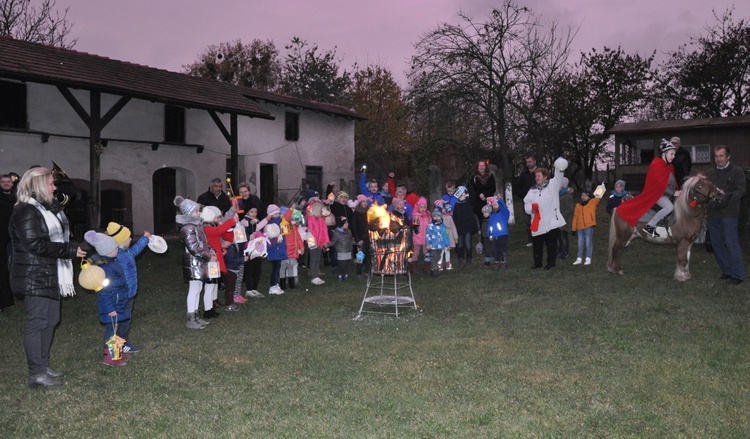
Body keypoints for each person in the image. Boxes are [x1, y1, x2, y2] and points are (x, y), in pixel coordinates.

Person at [9, 167, 86, 387]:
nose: (55, 188)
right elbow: (34, 244)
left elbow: (57, 232)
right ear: (39, 185)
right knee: (38, 323)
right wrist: (68, 251)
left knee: (51, 321)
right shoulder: (25, 211)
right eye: (51, 184)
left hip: (50, 272)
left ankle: (43, 366)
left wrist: (55, 203)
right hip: (34, 275)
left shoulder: (45, 208)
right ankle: (36, 374)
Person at [616, 139, 681, 238]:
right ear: (664, 154)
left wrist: (678, 190)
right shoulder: (657, 164)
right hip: (657, 194)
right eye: (671, 154)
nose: (673, 157)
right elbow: (659, 184)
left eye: (674, 154)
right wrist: (673, 193)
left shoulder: (669, 166)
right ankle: (650, 226)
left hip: (665, 193)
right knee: (669, 207)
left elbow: (670, 182)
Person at [84, 230, 130, 367]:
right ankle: (110, 357)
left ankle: (117, 351)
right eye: (115, 247)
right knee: (112, 331)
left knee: (117, 328)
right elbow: (104, 292)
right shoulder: (106, 269)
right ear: (109, 251)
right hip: (112, 306)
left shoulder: (112, 262)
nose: (117, 249)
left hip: (118, 302)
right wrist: (110, 308)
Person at [105, 222, 150, 354]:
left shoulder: (125, 252)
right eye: (128, 237)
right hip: (120, 296)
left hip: (129, 294)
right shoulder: (115, 257)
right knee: (117, 322)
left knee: (125, 319)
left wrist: (145, 239)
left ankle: (122, 343)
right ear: (120, 240)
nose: (131, 239)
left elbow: (135, 250)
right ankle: (114, 351)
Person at [705, 145, 745, 285]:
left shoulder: (736, 172)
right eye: (716, 156)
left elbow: (741, 190)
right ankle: (727, 270)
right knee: (716, 244)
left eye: (721, 156)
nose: (718, 159)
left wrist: (727, 198)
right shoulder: (710, 172)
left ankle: (737, 274)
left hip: (729, 213)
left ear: (728, 156)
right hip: (713, 213)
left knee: (731, 243)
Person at [175, 196, 215, 330]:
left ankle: (196, 316)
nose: (199, 213)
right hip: (194, 263)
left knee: (198, 289)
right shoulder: (187, 228)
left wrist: (211, 250)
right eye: (197, 211)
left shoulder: (197, 226)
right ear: (189, 212)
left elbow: (204, 244)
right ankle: (191, 318)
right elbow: (194, 248)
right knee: (194, 290)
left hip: (199, 263)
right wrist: (208, 257)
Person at [523, 158, 568, 270]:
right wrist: (531, 210)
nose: (536, 178)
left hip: (551, 221)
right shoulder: (532, 190)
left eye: (539, 176)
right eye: (536, 176)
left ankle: (550, 263)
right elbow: (526, 203)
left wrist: (559, 167)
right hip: (537, 222)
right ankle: (537, 263)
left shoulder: (553, 185)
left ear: (545, 177)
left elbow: (558, 177)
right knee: (537, 245)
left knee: (551, 244)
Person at [256, 204, 287, 295]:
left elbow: (285, 230)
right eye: (275, 214)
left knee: (278, 267)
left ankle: (276, 284)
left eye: (278, 213)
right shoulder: (271, 224)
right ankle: (273, 286)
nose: (278, 215)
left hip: (279, 248)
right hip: (274, 248)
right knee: (276, 267)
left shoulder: (280, 221)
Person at [570, 189, 603, 266]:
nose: (583, 197)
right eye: (582, 195)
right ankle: (579, 258)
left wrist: (601, 187)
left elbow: (598, 196)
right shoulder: (578, 206)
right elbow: (575, 217)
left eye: (585, 196)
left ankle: (588, 258)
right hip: (580, 227)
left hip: (589, 226)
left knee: (588, 243)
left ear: (589, 197)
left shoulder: (592, 203)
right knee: (580, 243)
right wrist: (573, 228)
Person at [305, 197, 331, 285]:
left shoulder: (322, 220)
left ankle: (316, 275)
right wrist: (313, 201)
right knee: (313, 258)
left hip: (320, 241)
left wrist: (326, 240)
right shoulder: (311, 218)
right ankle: (313, 277)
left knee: (317, 259)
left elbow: (325, 231)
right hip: (312, 240)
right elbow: (308, 209)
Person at [0, 174, 16, 311]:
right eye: (3, 182)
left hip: (15, 237)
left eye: (8, 182)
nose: (6, 184)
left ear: (12, 184)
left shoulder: (18, 198)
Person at [240, 207, 264, 298]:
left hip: (257, 248)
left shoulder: (257, 221)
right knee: (249, 269)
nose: (254, 213)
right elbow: (245, 234)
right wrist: (250, 227)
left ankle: (254, 288)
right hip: (248, 249)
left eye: (256, 211)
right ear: (247, 212)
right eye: (252, 211)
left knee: (257, 269)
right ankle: (249, 289)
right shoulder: (244, 222)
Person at [453, 185, 479, 267]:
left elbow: (473, 196)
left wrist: (468, 185)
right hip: (460, 228)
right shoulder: (456, 205)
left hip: (468, 227)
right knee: (460, 244)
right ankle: (460, 259)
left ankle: (469, 259)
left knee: (468, 244)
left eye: (463, 193)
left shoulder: (468, 202)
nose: (461, 194)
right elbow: (455, 217)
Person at [517, 155, 538, 246]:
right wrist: (522, 196)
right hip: (527, 201)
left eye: (530, 162)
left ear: (534, 161)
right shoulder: (523, 174)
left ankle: (541, 238)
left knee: (539, 219)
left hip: (539, 200)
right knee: (528, 221)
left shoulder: (540, 172)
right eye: (527, 162)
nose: (528, 164)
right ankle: (531, 240)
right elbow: (518, 186)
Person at [486, 195, 510, 269]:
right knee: (495, 249)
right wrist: (489, 234)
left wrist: (500, 200)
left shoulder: (504, 213)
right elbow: (490, 226)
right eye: (493, 205)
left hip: (502, 234)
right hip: (494, 235)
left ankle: (504, 262)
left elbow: (504, 208)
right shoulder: (492, 215)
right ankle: (496, 262)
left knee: (502, 249)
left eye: (496, 204)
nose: (494, 206)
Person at [327, 216, 353, 281]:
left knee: (348, 263)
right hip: (341, 252)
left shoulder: (349, 232)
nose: (347, 224)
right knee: (342, 264)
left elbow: (351, 240)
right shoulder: (336, 234)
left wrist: (357, 242)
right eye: (345, 223)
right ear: (341, 224)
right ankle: (340, 275)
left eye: (347, 222)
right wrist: (326, 245)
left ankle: (346, 274)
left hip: (349, 250)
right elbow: (333, 242)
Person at [425, 208, 450, 276]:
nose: (436, 218)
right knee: (434, 257)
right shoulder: (431, 226)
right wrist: (428, 244)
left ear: (441, 217)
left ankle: (434, 268)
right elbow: (428, 235)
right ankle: (434, 270)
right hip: (433, 245)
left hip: (440, 245)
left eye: (438, 216)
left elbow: (445, 236)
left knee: (438, 257)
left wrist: (447, 244)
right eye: (434, 216)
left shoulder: (443, 226)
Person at [351, 195, 371, 279]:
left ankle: (368, 271)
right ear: (359, 203)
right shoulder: (356, 213)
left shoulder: (369, 212)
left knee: (368, 254)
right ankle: (359, 272)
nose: (365, 203)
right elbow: (354, 227)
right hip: (361, 237)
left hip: (369, 237)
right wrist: (358, 239)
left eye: (366, 202)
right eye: (363, 202)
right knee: (360, 255)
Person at [472, 160, 497, 227]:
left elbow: (493, 188)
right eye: (480, 166)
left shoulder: (490, 176)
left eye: (483, 166)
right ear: (477, 167)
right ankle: (483, 235)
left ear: (486, 167)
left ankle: (492, 235)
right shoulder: (474, 178)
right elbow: (472, 190)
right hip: (479, 203)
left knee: (491, 219)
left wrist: (485, 195)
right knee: (481, 222)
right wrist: (479, 195)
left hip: (489, 201)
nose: (481, 167)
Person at [411, 197, 431, 273]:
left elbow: (430, 225)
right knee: (416, 252)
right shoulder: (416, 215)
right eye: (421, 207)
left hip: (426, 238)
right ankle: (414, 267)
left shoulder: (428, 215)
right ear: (418, 207)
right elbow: (415, 228)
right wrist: (416, 235)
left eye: (424, 207)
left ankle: (427, 267)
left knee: (426, 253)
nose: (422, 209)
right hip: (418, 238)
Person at [557, 178, 574, 260]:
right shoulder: (559, 194)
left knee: (564, 236)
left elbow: (570, 209)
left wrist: (561, 216)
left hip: (565, 220)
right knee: (559, 237)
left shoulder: (567, 195)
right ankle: (560, 250)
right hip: (558, 220)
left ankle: (565, 252)